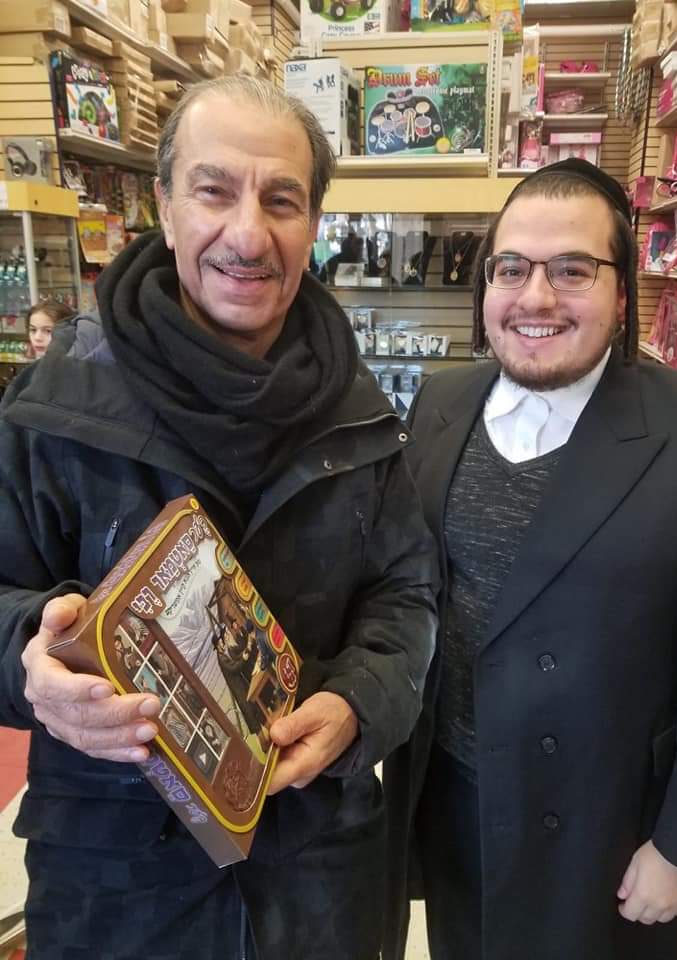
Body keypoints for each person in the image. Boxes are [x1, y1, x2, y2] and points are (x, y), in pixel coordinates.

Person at [0, 75, 438, 960]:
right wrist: (31, 663)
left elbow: (406, 594)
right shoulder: (57, 404)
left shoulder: (358, 413)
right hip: (116, 889)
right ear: (164, 208)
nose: (247, 234)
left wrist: (359, 702)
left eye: (281, 200)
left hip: (318, 879)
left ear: (313, 224)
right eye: (213, 190)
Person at [383, 157, 677, 960]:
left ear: (622, 294)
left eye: (572, 270)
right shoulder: (441, 402)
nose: (535, 297)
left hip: (604, 836)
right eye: (512, 269)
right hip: (453, 804)